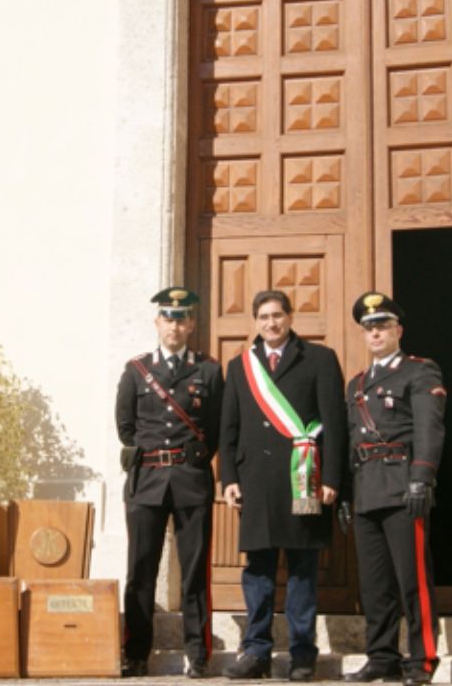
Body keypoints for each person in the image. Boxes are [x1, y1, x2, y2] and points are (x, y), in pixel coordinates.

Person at [219, 290, 346, 682]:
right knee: (257, 571)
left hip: (303, 480)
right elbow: (229, 427)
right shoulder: (241, 366)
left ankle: (302, 655)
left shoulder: (320, 359)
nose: (271, 323)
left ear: (290, 318)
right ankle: (256, 651)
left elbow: (335, 424)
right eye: (263, 317)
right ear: (255, 322)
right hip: (256, 482)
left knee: (302, 569)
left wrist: (331, 479)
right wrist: (229, 478)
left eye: (277, 315)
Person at [115, 286, 224, 679]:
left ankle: (198, 654)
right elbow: (126, 427)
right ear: (157, 322)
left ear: (191, 323)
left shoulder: (208, 370)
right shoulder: (136, 370)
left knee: (195, 572)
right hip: (147, 483)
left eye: (181, 318)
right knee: (140, 570)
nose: (174, 325)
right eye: (167, 317)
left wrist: (194, 460)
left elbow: (215, 427)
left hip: (191, 481)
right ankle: (136, 652)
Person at [342, 292, 447, 686]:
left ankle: (422, 659)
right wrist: (347, 494)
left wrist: (423, 476)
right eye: (369, 327)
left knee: (412, 579)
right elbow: (352, 439)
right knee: (375, 584)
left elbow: (428, 427)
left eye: (383, 325)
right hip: (367, 488)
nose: (375, 333)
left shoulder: (419, 372)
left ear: (398, 330)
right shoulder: (356, 384)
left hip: (404, 487)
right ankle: (381, 656)